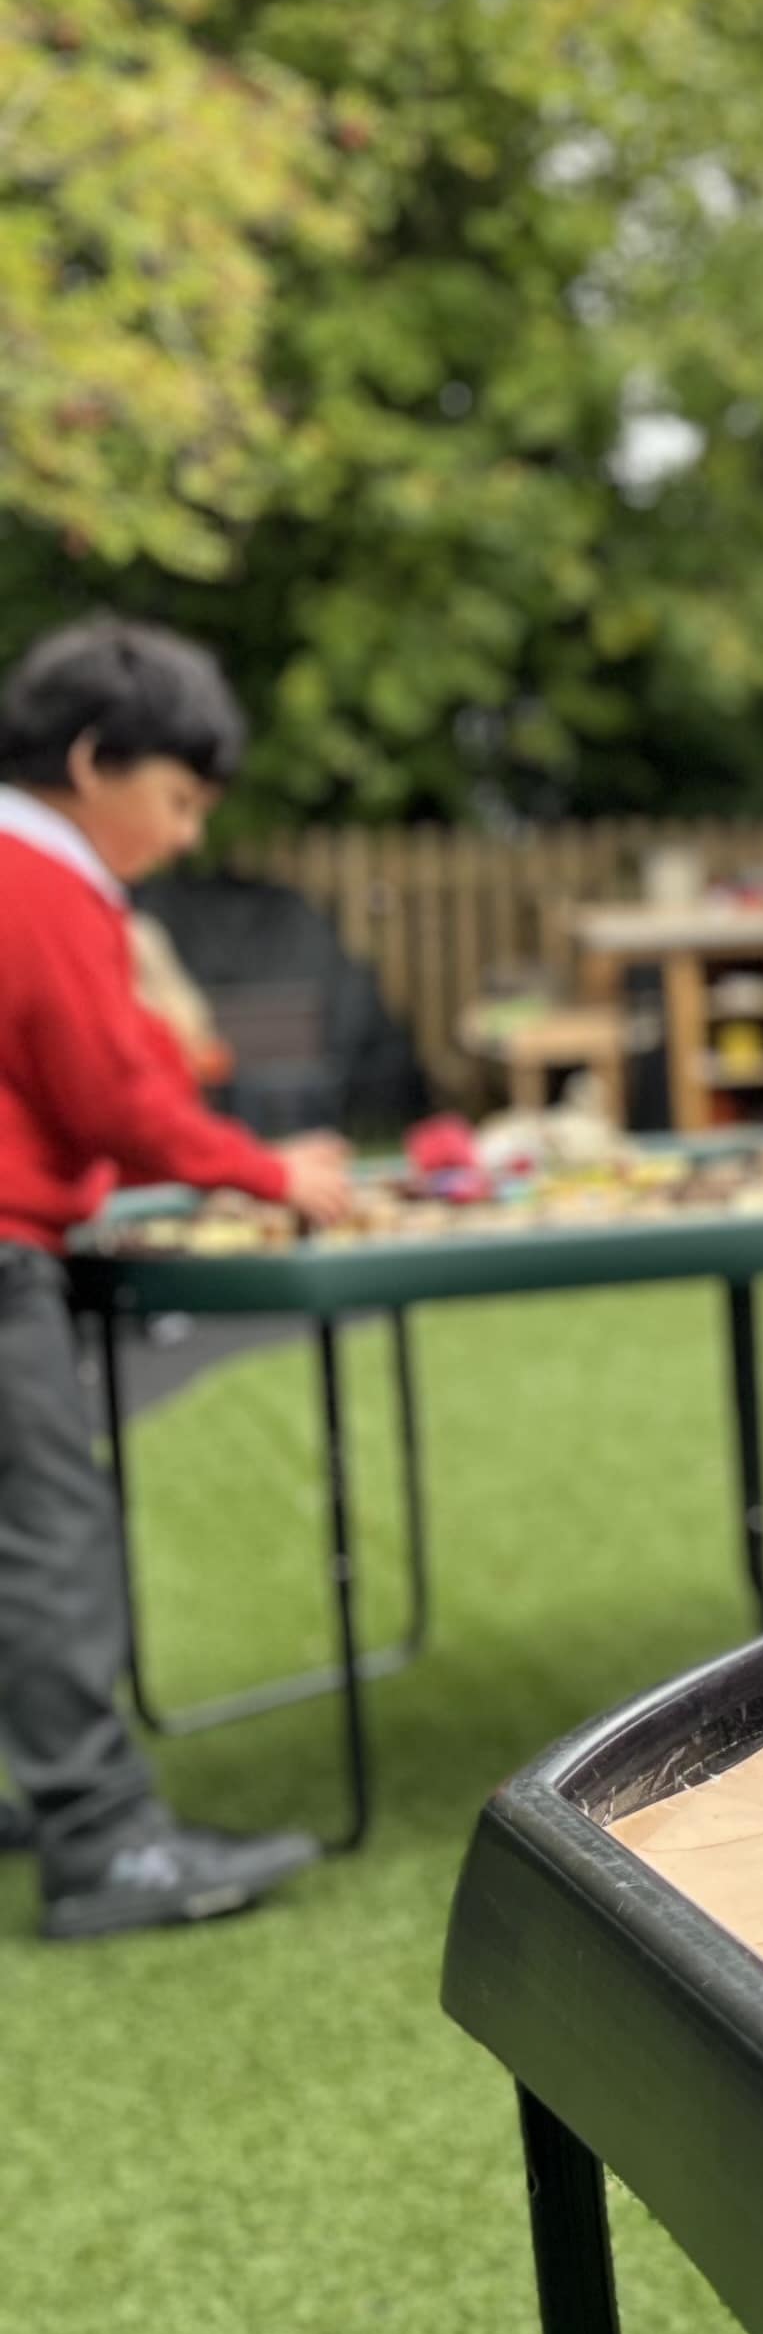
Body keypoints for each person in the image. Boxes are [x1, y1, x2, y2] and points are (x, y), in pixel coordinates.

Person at [1, 619, 357, 1938]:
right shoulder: (45, 882)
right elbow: (113, 1092)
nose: (189, 833)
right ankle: (101, 1842)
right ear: (94, 763)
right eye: (176, 798)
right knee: (46, 1535)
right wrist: (266, 1175)